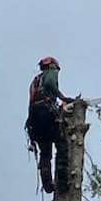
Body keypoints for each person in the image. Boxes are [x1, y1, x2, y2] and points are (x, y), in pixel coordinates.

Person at [26, 56, 74, 193]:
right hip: (45, 113)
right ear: (52, 66)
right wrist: (63, 98)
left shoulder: (35, 81)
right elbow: (50, 84)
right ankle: (63, 182)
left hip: (34, 120)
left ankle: (47, 183)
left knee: (45, 152)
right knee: (62, 144)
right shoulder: (50, 74)